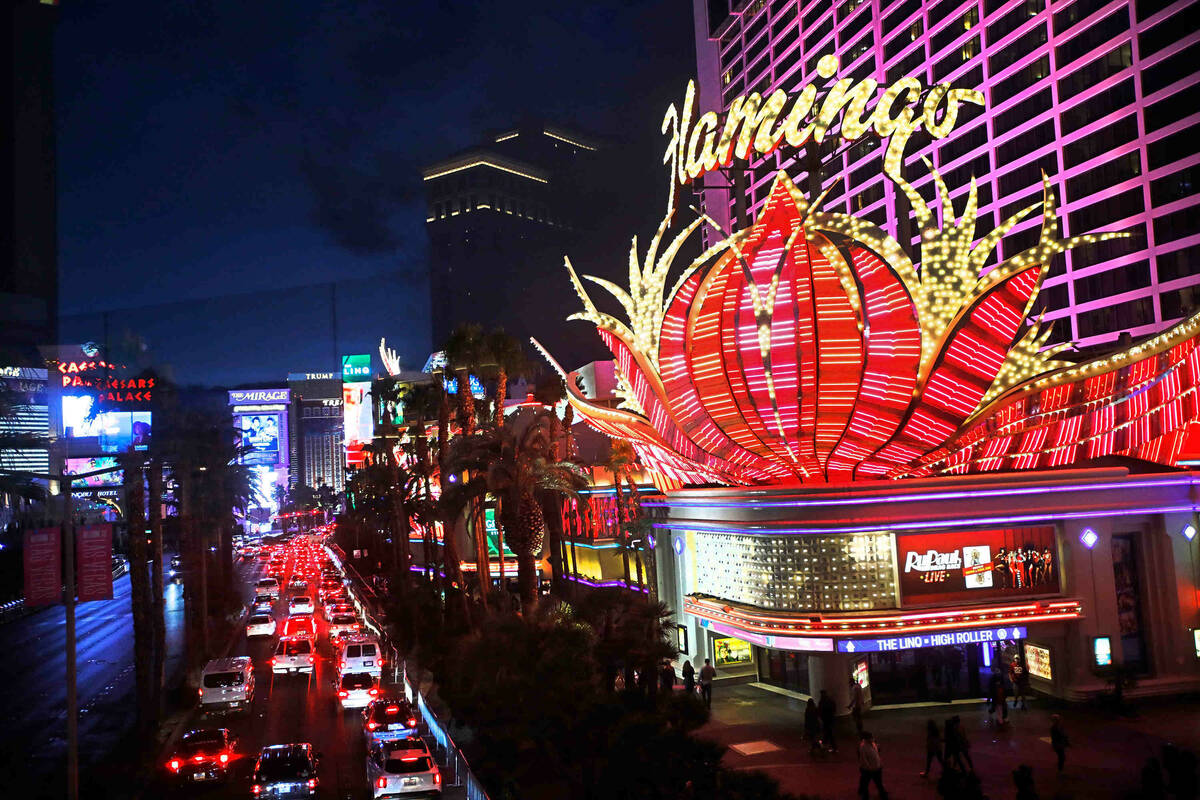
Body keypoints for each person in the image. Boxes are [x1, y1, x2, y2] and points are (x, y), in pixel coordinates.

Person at [857, 731, 888, 799]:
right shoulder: (863, 747)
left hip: (876, 767)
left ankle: (882, 794)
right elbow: (863, 760)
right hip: (868, 770)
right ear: (866, 739)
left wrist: (879, 763)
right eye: (871, 738)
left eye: (872, 737)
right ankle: (865, 796)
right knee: (866, 783)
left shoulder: (873, 743)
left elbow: (876, 753)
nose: (872, 739)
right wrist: (869, 768)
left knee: (877, 782)